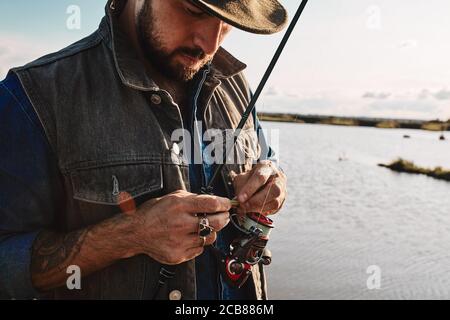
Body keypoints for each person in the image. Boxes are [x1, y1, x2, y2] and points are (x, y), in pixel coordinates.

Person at [0, 0, 288, 300]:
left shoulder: (236, 83)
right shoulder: (33, 96)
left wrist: (272, 182)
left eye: (229, 22)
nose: (210, 44)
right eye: (194, 11)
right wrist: (131, 234)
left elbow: (267, 161)